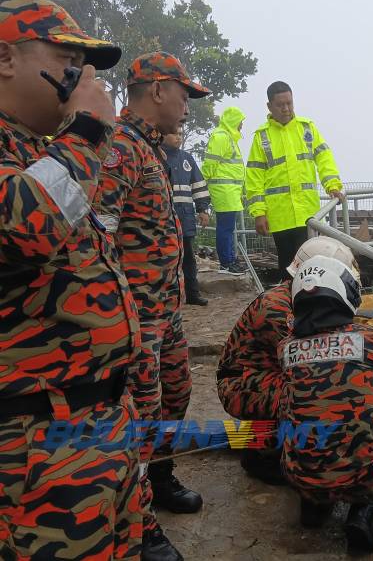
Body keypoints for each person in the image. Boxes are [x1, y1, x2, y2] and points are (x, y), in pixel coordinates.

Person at [0, 0, 143, 561]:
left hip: (102, 423)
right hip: (37, 445)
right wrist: (85, 131)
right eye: (64, 56)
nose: (79, 72)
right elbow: (23, 227)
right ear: (6, 58)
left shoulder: (39, 148)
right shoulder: (60, 149)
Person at [96, 51, 212, 561]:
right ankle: (140, 525)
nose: (188, 105)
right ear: (158, 89)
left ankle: (160, 478)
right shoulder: (120, 148)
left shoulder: (150, 149)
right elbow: (96, 233)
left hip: (165, 312)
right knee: (139, 415)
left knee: (175, 396)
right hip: (135, 316)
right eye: (184, 93)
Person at [217, 235, 373, 484]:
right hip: (243, 386)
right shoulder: (277, 308)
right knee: (318, 387)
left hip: (266, 377)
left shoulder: (297, 298)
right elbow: (315, 360)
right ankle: (267, 452)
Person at [280, 254, 373, 553]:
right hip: (364, 474)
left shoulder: (285, 348)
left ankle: (314, 506)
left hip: (299, 475)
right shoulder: (368, 337)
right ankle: (365, 512)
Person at [244, 81, 345, 273]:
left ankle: (309, 303)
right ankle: (287, 303)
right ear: (269, 106)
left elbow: (324, 158)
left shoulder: (307, 128)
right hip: (280, 217)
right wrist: (258, 212)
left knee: (312, 267)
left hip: (308, 213)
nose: (286, 108)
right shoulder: (262, 137)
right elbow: (254, 176)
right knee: (287, 269)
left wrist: (332, 185)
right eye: (280, 104)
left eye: (289, 103)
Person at [162, 132, 211, 306]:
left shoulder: (187, 159)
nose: (178, 137)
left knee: (189, 258)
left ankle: (192, 294)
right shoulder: (156, 155)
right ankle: (168, 297)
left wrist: (203, 210)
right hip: (164, 219)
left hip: (186, 219)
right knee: (166, 258)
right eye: (174, 133)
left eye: (181, 134)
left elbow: (199, 187)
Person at [200, 105, 249, 275]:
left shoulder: (228, 137)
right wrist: (202, 183)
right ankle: (226, 264)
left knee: (228, 228)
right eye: (240, 122)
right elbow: (210, 164)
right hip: (224, 191)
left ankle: (230, 259)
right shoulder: (221, 137)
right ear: (233, 121)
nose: (242, 125)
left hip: (230, 192)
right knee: (225, 228)